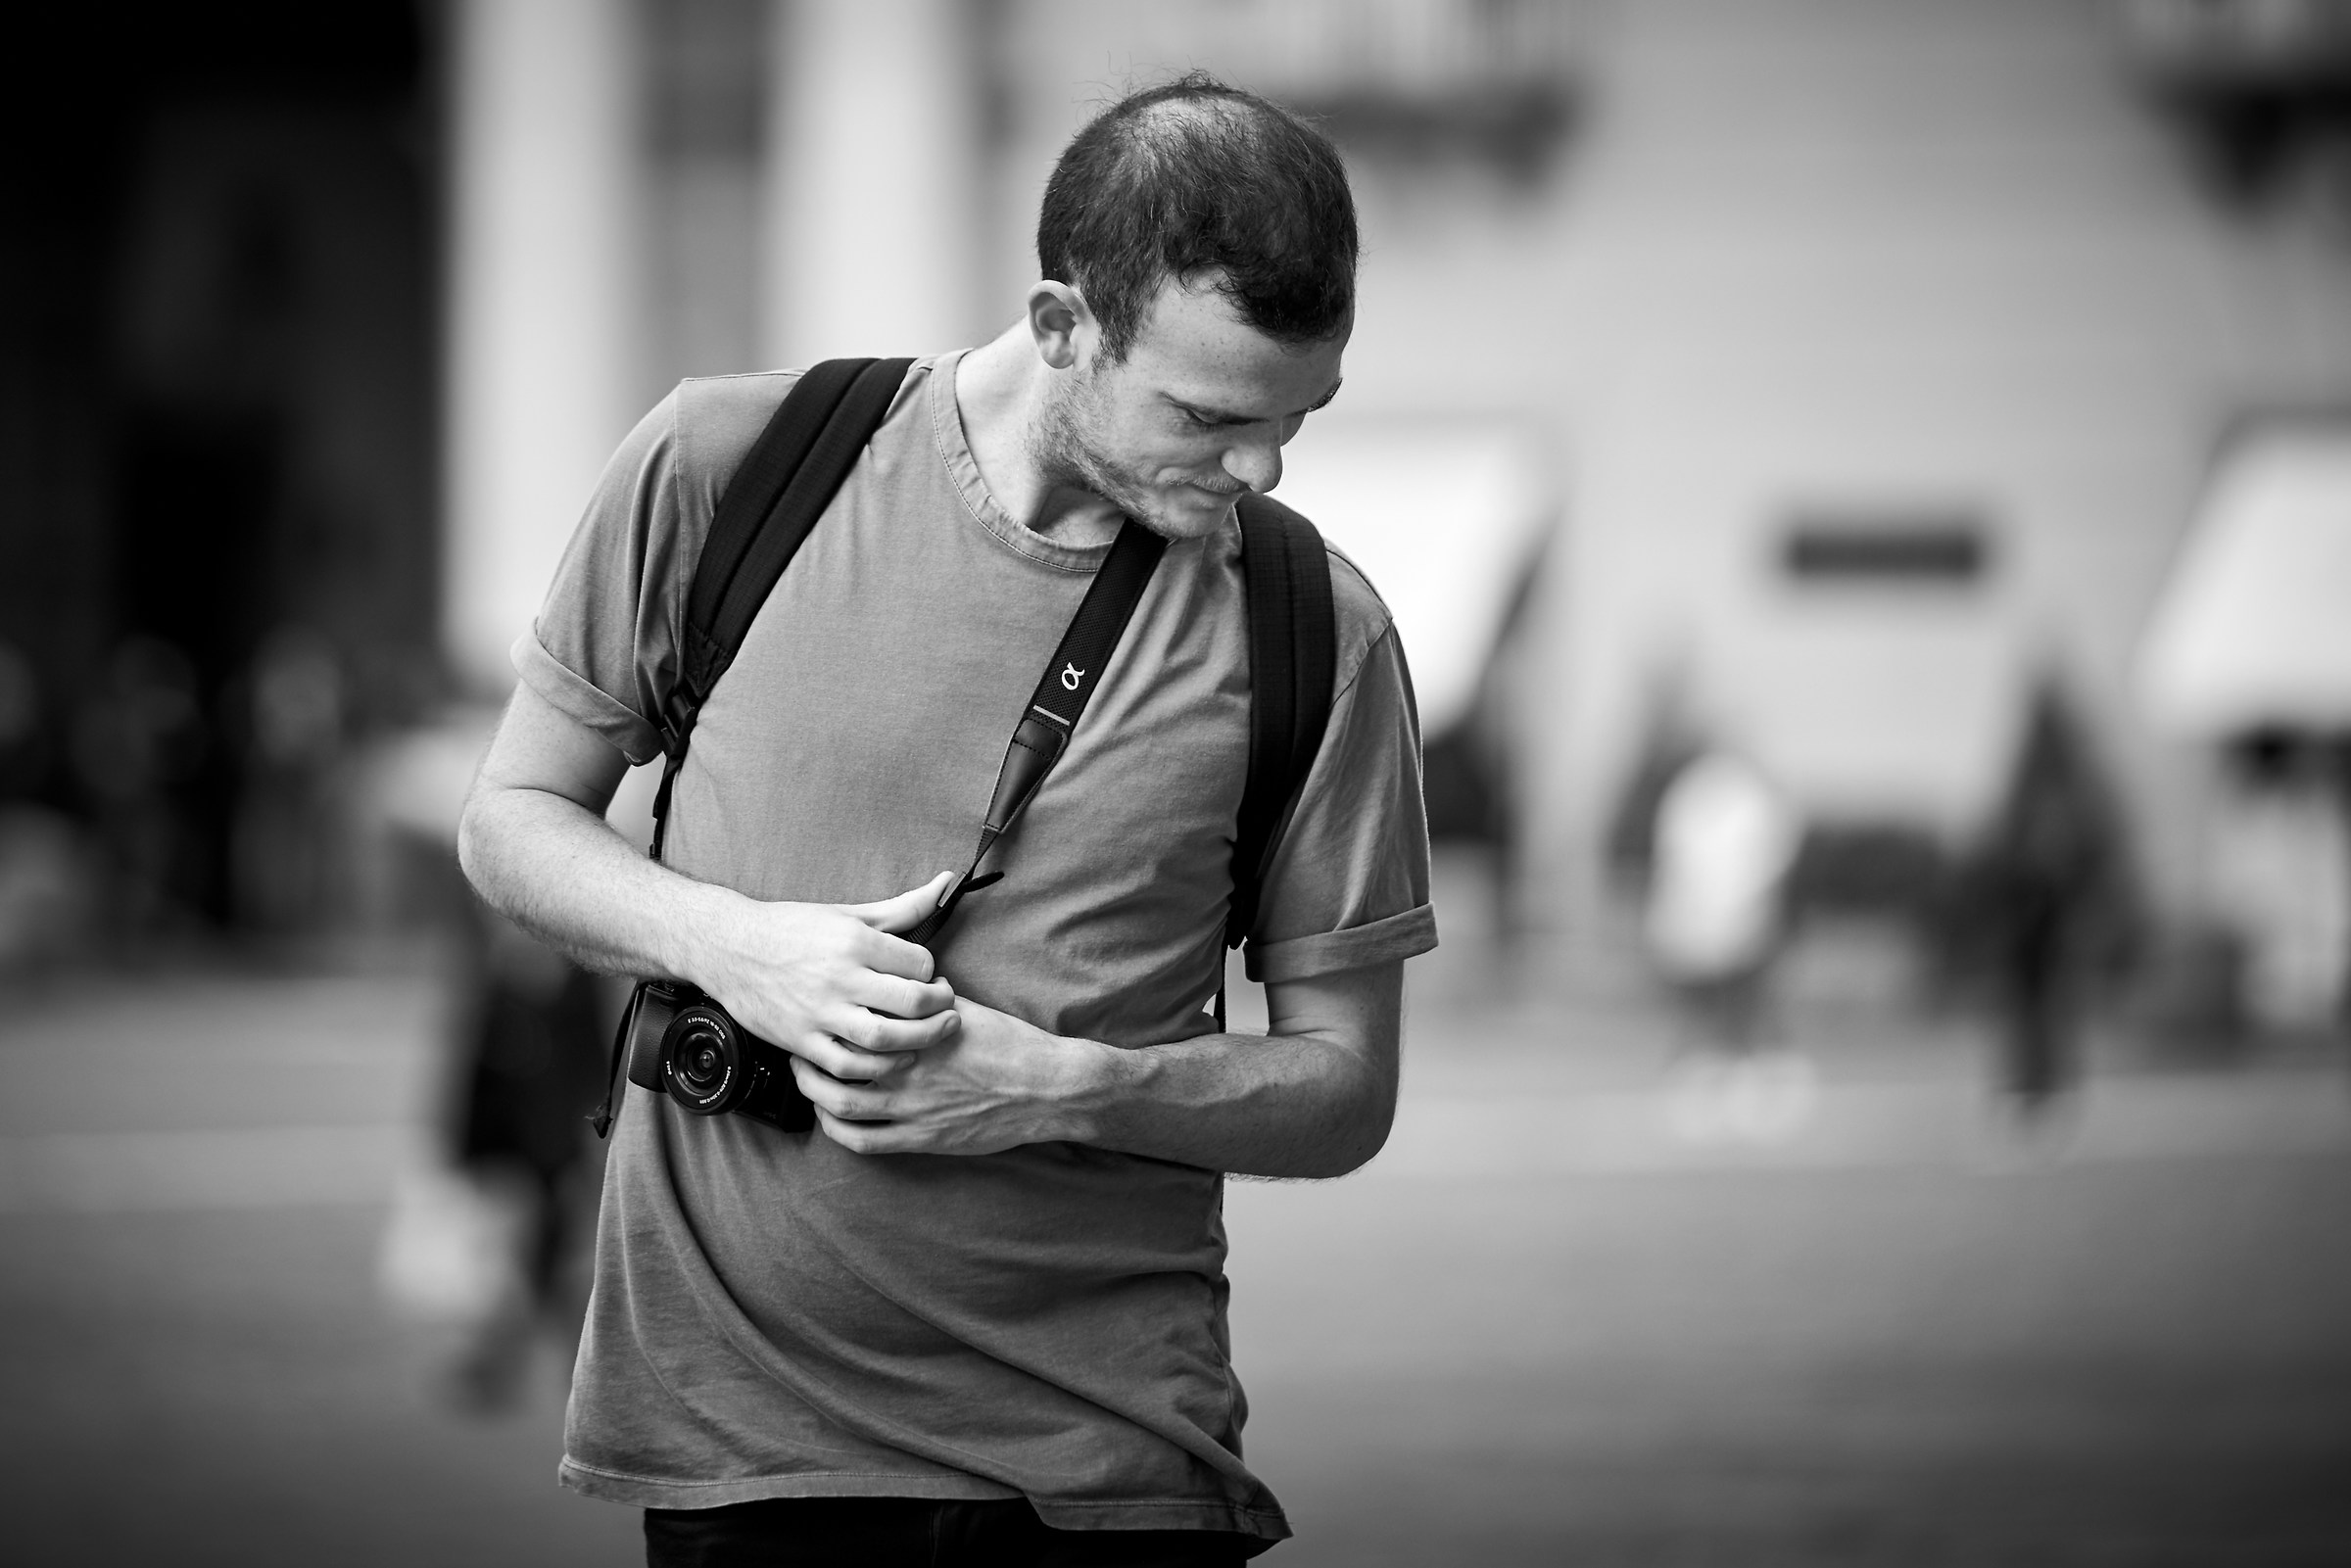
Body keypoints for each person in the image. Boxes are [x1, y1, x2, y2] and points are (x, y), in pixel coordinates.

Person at [456, 74, 1434, 1566]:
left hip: (1113, 1473)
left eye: (1299, 416)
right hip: (738, 1452)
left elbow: (1347, 1089)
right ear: (1063, 327)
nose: (1263, 469)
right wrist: (735, 947)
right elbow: (513, 819)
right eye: (1210, 415)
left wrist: (1069, 1087)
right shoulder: (725, 469)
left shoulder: (1318, 628)